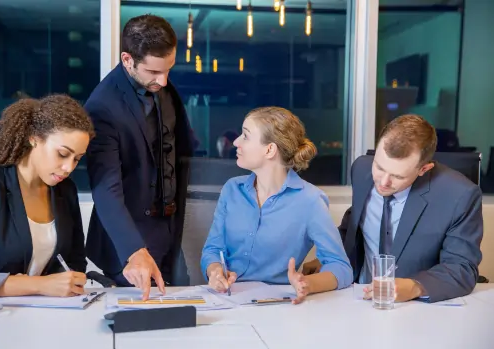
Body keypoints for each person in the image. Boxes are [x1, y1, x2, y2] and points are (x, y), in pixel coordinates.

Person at [303, 114, 483, 303]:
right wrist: (331, 259)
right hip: (355, 298)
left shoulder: (460, 195)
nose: (383, 182)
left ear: (424, 169)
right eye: (379, 167)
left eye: (398, 176)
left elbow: (462, 268)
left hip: (414, 308)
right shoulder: (362, 168)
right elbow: (353, 227)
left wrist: (416, 286)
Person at [84, 14, 193, 300]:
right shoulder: (102, 107)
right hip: (129, 240)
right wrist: (133, 249)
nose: (164, 79)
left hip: (168, 229)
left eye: (168, 69)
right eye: (154, 72)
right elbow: (105, 187)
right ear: (127, 60)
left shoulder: (163, 86)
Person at [0, 95, 94, 298]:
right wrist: (41, 285)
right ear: (34, 138)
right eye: (62, 154)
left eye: (77, 159)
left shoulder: (65, 191)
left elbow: (75, 262)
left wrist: (71, 282)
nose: (68, 168)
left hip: (49, 314)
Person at [200, 107, 353, 304]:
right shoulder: (232, 189)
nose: (236, 142)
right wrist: (214, 271)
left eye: (245, 136)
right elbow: (212, 249)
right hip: (224, 302)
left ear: (270, 150)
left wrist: (308, 283)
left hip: (276, 306)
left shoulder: (310, 201)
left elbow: (340, 267)